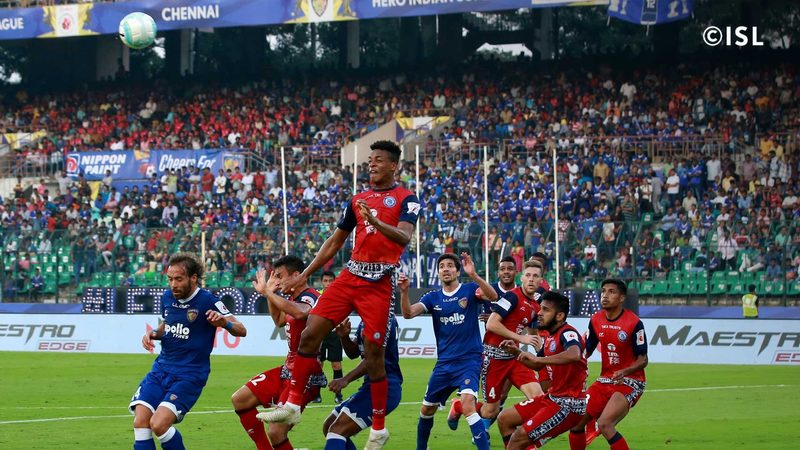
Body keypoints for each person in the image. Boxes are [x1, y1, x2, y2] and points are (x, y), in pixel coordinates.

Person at [261, 140, 420, 450]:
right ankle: (292, 406)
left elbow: (404, 236)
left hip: (379, 282)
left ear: (393, 165)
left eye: (378, 160)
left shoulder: (407, 199)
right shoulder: (357, 199)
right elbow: (334, 242)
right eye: (370, 160)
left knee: (374, 354)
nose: (372, 164)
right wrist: (305, 274)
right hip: (351, 275)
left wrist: (375, 222)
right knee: (310, 333)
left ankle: (379, 429)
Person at [130, 253, 247, 450]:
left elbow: (241, 330)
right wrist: (154, 333)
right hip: (161, 369)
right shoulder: (167, 297)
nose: (173, 284)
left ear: (193, 278)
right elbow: (168, 324)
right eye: (170, 279)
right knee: (140, 422)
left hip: (189, 374)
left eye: (178, 279)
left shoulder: (208, 300)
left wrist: (224, 323)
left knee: (159, 424)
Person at [400, 252, 497, 450]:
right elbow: (408, 314)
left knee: (468, 405)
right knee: (427, 410)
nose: (446, 269)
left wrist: (474, 275)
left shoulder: (470, 290)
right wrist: (404, 292)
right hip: (444, 364)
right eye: (442, 266)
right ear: (438, 272)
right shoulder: (432, 297)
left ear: (458, 271)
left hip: (469, 361)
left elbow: (493, 296)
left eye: (450, 266)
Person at [231, 256, 325, 450]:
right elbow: (279, 321)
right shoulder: (291, 299)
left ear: (296, 275)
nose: (278, 281)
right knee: (240, 399)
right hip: (286, 370)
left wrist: (268, 292)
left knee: (276, 431)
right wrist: (270, 295)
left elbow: (301, 312)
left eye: (280, 276)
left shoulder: (311, 296)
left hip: (305, 375)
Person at [453, 260, 544, 434]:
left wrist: (543, 354)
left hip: (514, 357)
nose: (531, 279)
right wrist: (520, 338)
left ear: (541, 280)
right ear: (522, 278)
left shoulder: (535, 304)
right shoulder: (512, 297)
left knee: (539, 398)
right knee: (490, 411)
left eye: (535, 276)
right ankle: (459, 406)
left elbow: (533, 334)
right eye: (528, 275)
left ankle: (519, 432)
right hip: (494, 359)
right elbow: (492, 324)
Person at [496, 291, 587, 450]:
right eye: (540, 309)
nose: (539, 313)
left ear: (559, 316)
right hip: (552, 398)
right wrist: (516, 352)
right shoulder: (550, 336)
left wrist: (539, 359)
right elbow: (537, 365)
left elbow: (574, 354)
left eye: (545, 310)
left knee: (518, 438)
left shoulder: (568, 332)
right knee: (505, 419)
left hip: (569, 404)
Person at [569, 279, 648, 450]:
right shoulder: (596, 319)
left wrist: (625, 371)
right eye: (603, 291)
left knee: (605, 424)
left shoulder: (634, 322)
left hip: (631, 381)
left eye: (611, 292)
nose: (605, 295)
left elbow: (643, 360)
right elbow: (587, 349)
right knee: (576, 422)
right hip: (605, 380)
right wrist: (574, 365)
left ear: (621, 298)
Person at [322, 316, 403, 450]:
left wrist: (345, 379)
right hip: (370, 385)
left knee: (337, 430)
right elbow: (353, 353)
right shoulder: (366, 319)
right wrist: (344, 337)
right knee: (329, 426)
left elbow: (372, 359)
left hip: (385, 387)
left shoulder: (380, 319)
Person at [316, 270, 344, 404]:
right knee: (318, 364)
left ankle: (338, 395)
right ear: (321, 282)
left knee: (336, 364)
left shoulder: (340, 295)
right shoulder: (317, 295)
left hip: (334, 333)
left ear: (334, 281)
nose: (328, 284)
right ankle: (316, 394)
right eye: (325, 281)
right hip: (320, 333)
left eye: (330, 281)